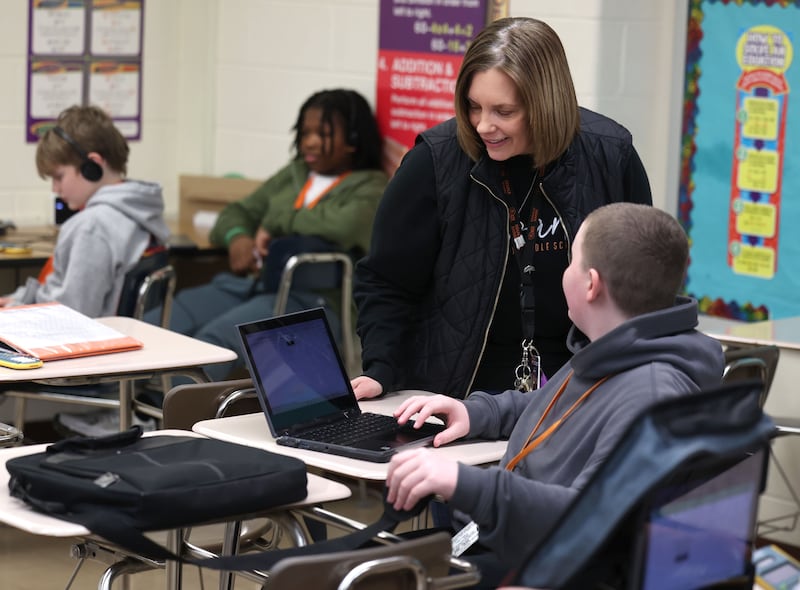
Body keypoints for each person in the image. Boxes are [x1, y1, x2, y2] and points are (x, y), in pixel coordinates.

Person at [384, 203, 725, 588]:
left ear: (591, 284)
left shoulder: (651, 394)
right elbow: (556, 405)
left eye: (571, 262)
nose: (565, 272)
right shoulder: (619, 348)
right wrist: (476, 412)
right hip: (504, 542)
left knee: (333, 575)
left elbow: (590, 520)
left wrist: (464, 482)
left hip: (536, 567)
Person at [351, 17, 653, 402]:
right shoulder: (435, 161)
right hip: (456, 391)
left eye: (503, 111)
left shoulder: (611, 155)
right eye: (474, 106)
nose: (482, 125)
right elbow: (386, 280)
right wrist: (381, 368)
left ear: (546, 104)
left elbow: (643, 285)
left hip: (581, 388)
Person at [0, 105, 169, 318]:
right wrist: (22, 300)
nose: (55, 189)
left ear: (93, 165)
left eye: (59, 177)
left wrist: (14, 312)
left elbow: (72, 316)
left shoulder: (92, 227)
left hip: (81, 341)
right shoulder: (141, 212)